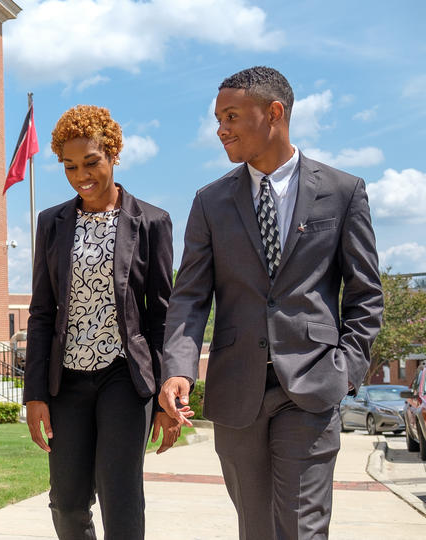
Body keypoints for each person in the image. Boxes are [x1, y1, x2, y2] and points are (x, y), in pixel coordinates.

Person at [160, 66, 384, 539]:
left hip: (312, 385)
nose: (221, 128)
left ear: (274, 113)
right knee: (257, 529)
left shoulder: (343, 192)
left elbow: (365, 294)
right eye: (218, 117)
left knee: (301, 528)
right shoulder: (210, 201)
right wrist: (179, 368)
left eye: (232, 115)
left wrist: (346, 369)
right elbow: (190, 298)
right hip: (237, 391)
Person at [23, 105, 180, 540]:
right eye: (69, 166)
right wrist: (34, 393)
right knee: (67, 501)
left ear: (113, 154)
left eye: (91, 162)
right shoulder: (52, 223)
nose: (80, 175)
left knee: (120, 495)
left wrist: (169, 398)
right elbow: (41, 313)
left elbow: (161, 315)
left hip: (124, 379)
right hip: (66, 382)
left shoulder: (151, 222)